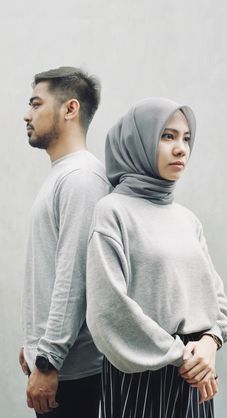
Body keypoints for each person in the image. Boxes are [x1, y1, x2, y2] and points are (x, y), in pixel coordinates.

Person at [86, 98, 227, 418]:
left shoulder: (187, 219)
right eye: (167, 136)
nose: (180, 148)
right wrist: (181, 355)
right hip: (140, 374)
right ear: (137, 142)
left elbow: (215, 298)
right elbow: (108, 309)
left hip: (195, 372)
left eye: (186, 138)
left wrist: (211, 342)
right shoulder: (113, 212)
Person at [19, 66, 111, 418]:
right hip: (57, 366)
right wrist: (34, 344)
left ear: (70, 109)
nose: (26, 114)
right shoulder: (65, 175)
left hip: (72, 375)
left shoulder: (81, 178)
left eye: (36, 103)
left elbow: (75, 278)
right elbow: (51, 269)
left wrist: (48, 358)